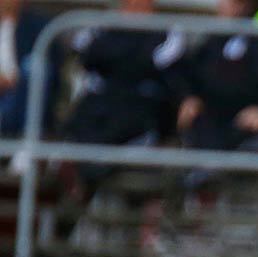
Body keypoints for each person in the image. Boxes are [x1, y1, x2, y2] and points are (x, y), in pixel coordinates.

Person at [58, 0, 185, 191]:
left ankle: (89, 180)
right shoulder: (101, 26)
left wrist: (116, 55)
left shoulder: (167, 31)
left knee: (126, 119)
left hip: (142, 108)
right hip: (101, 103)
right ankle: (79, 182)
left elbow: (155, 66)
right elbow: (87, 54)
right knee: (84, 118)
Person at [171, 0, 258, 159]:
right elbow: (192, 73)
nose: (221, 5)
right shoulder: (215, 41)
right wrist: (188, 98)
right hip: (214, 121)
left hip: (248, 128)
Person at [0, 0, 55, 138]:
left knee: (34, 65)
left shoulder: (38, 26)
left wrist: (14, 80)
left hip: (21, 95)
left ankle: (26, 146)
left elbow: (52, 71)